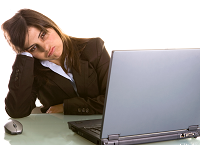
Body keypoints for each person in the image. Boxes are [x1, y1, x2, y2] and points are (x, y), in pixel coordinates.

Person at [1, 9, 110, 118]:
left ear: (51, 25)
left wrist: (65, 107)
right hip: (60, 132)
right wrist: (23, 56)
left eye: (43, 35)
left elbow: (113, 100)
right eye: (33, 47)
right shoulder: (32, 70)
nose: (45, 48)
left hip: (103, 127)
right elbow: (17, 112)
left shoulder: (93, 48)